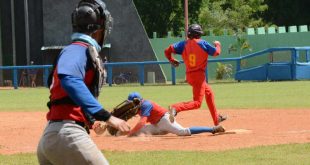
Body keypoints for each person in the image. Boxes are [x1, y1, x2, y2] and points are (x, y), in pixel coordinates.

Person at [37, 0, 130, 165]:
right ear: (99, 27)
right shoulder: (77, 49)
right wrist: (106, 116)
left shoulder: (80, 50)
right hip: (67, 136)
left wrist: (92, 122)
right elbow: (70, 80)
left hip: (55, 136)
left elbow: (65, 95)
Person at [164, 24, 227, 126]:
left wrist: (171, 59)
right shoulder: (202, 43)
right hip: (199, 77)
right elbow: (216, 53)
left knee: (209, 93)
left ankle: (216, 119)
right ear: (198, 34)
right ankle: (175, 108)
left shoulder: (183, 44)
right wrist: (218, 44)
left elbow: (167, 51)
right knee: (197, 103)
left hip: (189, 76)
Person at [126, 92, 225, 137]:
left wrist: (130, 133)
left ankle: (213, 129)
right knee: (138, 132)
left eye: (132, 102)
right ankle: (118, 133)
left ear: (138, 101)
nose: (131, 104)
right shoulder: (138, 106)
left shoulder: (146, 104)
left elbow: (142, 122)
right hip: (157, 125)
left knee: (182, 132)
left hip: (164, 120)